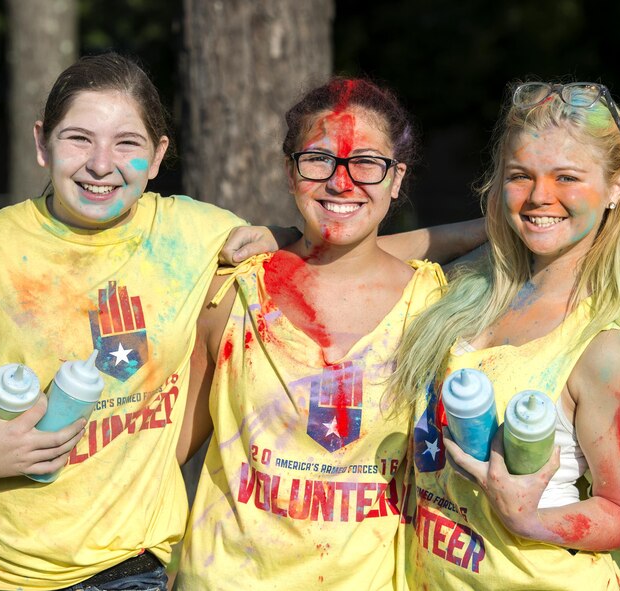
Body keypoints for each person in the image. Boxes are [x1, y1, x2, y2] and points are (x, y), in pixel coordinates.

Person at [0, 53, 482, 591]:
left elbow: (347, 251)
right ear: (42, 143)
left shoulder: (195, 234)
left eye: (126, 143)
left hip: (121, 569)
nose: (101, 164)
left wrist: (501, 229)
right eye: (78, 139)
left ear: (159, 156)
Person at [389, 81, 620, 590]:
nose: (542, 195)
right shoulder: (467, 292)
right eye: (521, 176)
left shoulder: (607, 350)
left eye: (567, 177)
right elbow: (361, 260)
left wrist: (528, 520)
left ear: (616, 187)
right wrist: (287, 240)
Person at [174, 77, 448, 590]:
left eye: (366, 162)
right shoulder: (231, 295)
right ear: (289, 171)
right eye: (319, 160)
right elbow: (163, 453)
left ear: (397, 178)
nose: (342, 183)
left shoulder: (434, 310)